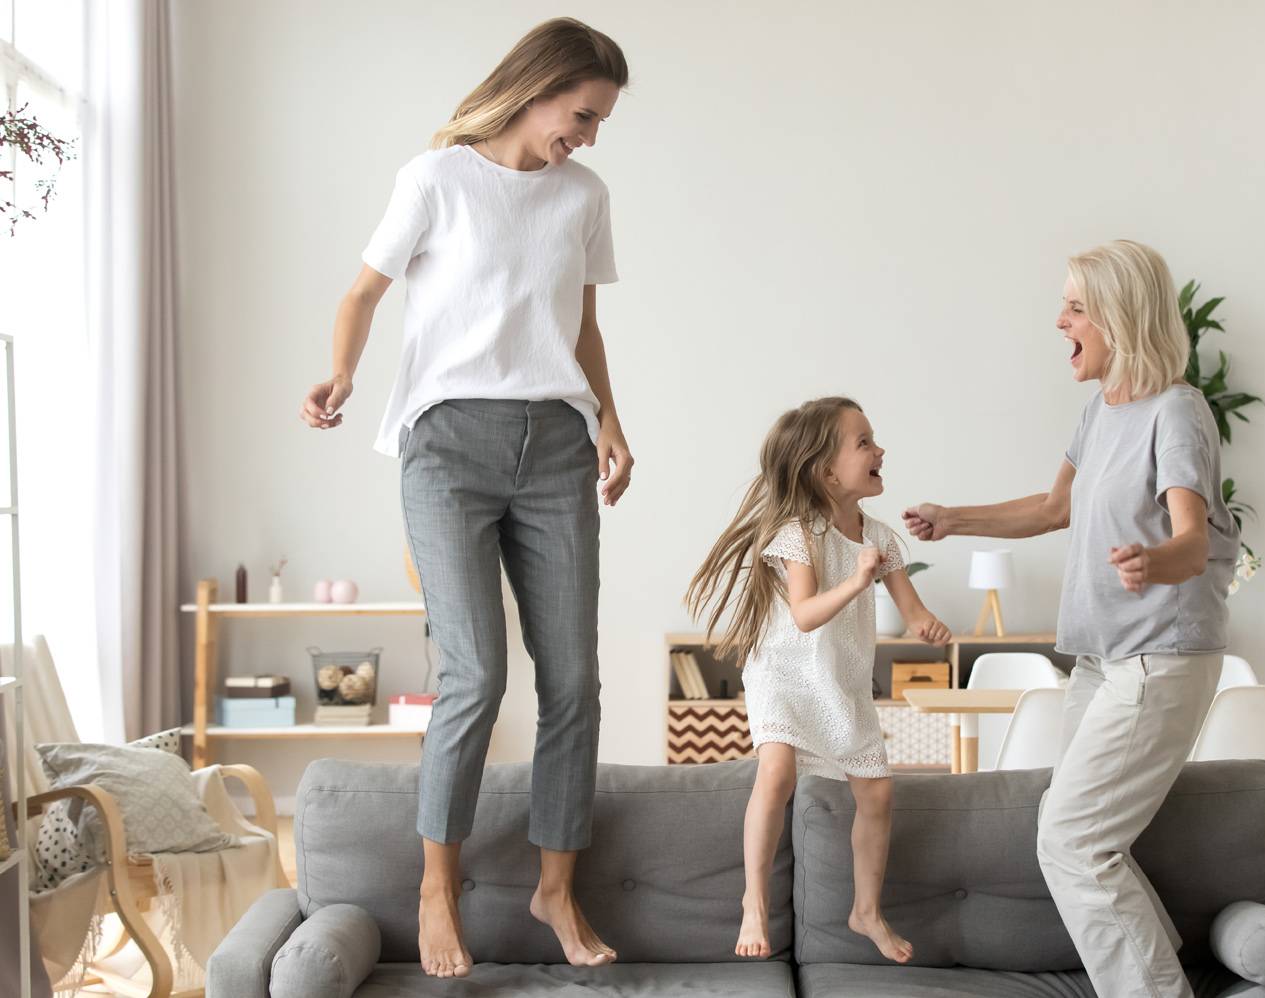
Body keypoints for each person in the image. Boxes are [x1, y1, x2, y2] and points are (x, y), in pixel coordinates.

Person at [298, 17, 634, 979]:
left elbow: (584, 326)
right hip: (447, 443)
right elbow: (362, 294)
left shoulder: (585, 195)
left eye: (602, 120)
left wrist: (610, 423)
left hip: (559, 445)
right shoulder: (436, 179)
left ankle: (555, 887)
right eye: (583, 114)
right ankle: (435, 884)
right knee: (475, 674)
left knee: (575, 681)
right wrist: (342, 376)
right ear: (537, 89)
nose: (591, 135)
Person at [904, 240, 1241, 997]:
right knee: (1082, 841)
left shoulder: (1178, 410)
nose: (1060, 321)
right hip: (1101, 659)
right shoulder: (1100, 411)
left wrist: (1153, 563)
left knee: (1073, 842)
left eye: (1077, 307)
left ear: (1122, 316)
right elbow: (1053, 507)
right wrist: (954, 518)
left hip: (1160, 658)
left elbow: (1192, 540)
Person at [688, 397, 951, 963]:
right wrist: (858, 581)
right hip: (784, 673)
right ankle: (754, 902)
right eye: (864, 443)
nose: (880, 450)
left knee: (877, 792)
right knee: (777, 771)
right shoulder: (796, 532)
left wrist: (926, 623)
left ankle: (866, 910)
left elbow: (911, 606)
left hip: (842, 681)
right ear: (825, 470)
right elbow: (804, 614)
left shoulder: (878, 536)